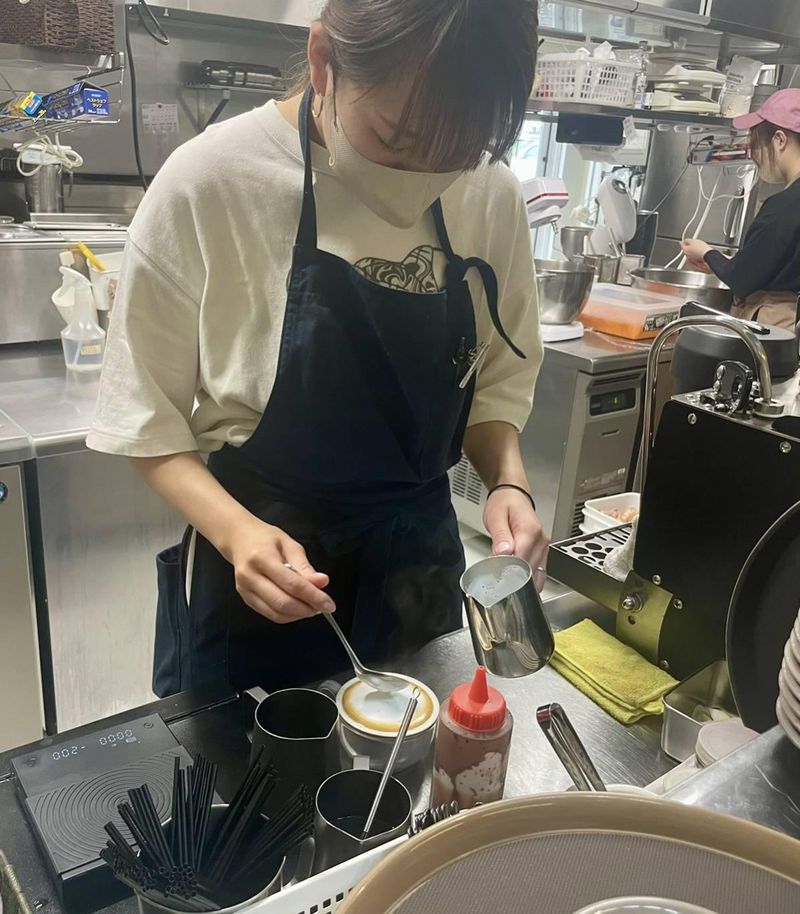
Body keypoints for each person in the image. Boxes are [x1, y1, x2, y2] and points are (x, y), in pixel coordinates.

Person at [88, 0, 547, 696]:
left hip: (420, 573)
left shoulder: (490, 192)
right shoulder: (212, 181)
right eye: (398, 138)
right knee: (250, 759)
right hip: (265, 572)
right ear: (323, 59)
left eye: (460, 151)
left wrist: (507, 481)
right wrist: (237, 534)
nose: (425, 174)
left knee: (420, 758)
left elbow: (496, 386)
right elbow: (143, 420)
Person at [682, 89, 800, 331]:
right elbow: (774, 266)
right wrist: (723, 262)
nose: (755, 157)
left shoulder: (784, 206)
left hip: (777, 326)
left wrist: (707, 253)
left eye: (757, 144)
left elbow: (741, 279)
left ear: (780, 140)